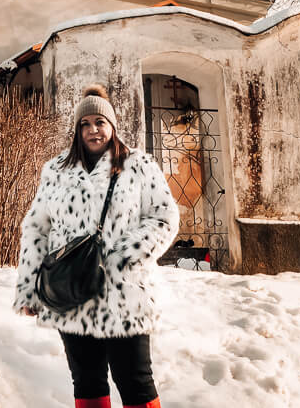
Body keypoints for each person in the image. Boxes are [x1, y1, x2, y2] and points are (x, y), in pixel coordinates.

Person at [13, 85, 178, 408]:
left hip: (124, 293)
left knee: (136, 381)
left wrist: (127, 254)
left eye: (100, 122)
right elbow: (36, 229)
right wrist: (28, 290)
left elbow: (165, 216)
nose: (93, 130)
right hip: (71, 293)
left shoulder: (139, 165)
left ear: (112, 126)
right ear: (77, 130)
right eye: (85, 123)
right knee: (86, 382)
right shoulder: (56, 171)